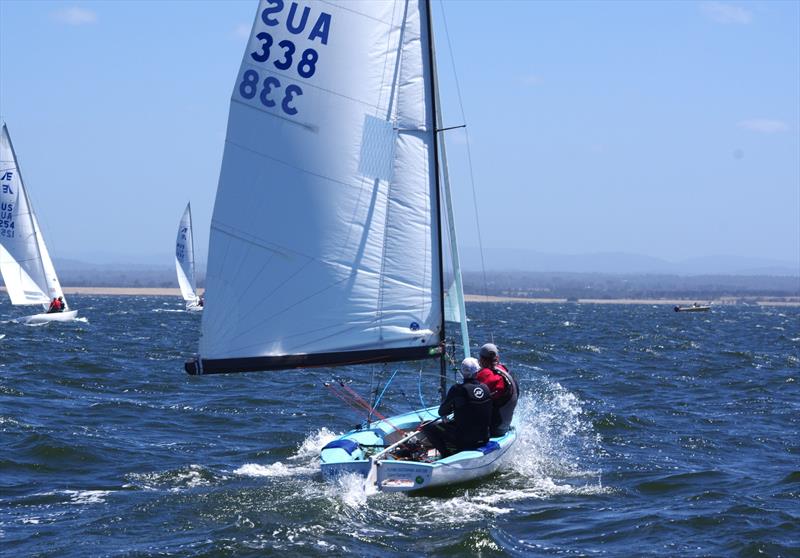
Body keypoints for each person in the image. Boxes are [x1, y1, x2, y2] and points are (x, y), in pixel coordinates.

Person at [421, 357, 492, 458]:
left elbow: (442, 412)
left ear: (462, 372)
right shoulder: (486, 388)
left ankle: (446, 455)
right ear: (477, 372)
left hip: (465, 440)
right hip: (485, 438)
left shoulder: (457, 389)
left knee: (427, 426)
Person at [475, 343, 519, 437]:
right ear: (497, 358)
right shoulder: (504, 369)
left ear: (481, 360)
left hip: (494, 430)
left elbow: (471, 395)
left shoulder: (485, 374)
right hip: (504, 426)